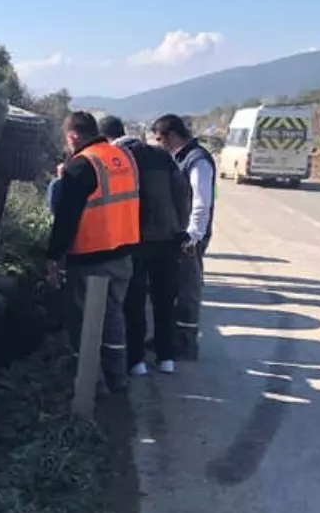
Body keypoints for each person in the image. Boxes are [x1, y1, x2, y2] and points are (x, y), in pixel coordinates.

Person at [45, 111, 142, 393]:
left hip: (91, 257)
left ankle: (89, 383)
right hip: (123, 255)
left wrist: (53, 256)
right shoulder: (123, 157)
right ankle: (117, 377)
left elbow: (66, 218)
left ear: (73, 136)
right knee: (112, 317)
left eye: (67, 140)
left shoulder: (81, 165)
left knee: (83, 322)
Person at [99, 115, 191, 376]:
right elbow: (182, 194)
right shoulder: (162, 156)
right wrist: (178, 227)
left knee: (134, 301)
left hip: (134, 241)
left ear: (107, 139)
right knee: (164, 299)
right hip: (167, 240)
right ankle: (166, 358)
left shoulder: (115, 158)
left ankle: (136, 361)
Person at [150, 113, 217, 361]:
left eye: (160, 139)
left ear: (172, 135)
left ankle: (186, 345)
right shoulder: (180, 158)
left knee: (188, 289)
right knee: (174, 287)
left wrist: (193, 236)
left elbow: (201, 202)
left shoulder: (197, 160)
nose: (159, 144)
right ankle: (168, 338)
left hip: (190, 238)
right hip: (180, 235)